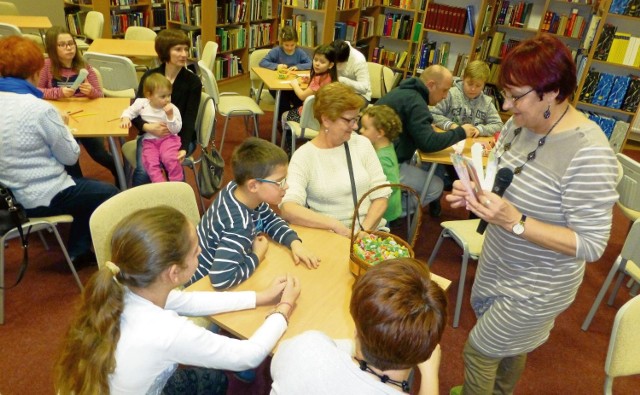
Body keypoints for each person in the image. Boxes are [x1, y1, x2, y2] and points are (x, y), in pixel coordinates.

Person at [445, 34, 619, 394]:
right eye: (504, 94)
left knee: (479, 351)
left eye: (515, 96)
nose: (506, 107)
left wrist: (515, 222)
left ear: (552, 91)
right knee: (509, 345)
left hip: (538, 286)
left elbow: (591, 244)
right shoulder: (520, 124)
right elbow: (504, 176)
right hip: (498, 263)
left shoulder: (589, 154)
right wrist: (477, 191)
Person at [54, 206, 302, 395]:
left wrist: (259, 298)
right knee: (217, 381)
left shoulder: (127, 284)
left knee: (214, 380)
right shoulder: (165, 331)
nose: (201, 252)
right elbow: (247, 356)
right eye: (196, 251)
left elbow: (190, 301)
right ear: (174, 273)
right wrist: (284, 308)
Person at [0, 35, 118, 264]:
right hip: (39, 196)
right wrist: (62, 127)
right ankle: (79, 250)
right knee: (108, 193)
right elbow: (70, 155)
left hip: (7, 197)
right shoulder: (41, 110)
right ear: (34, 72)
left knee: (79, 183)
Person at [270, 257, 447, 394]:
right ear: (426, 352)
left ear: (355, 327)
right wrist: (430, 374)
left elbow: (276, 365)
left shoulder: (305, 347)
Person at [188, 138, 319, 291]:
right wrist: (257, 255)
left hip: (216, 262)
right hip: (199, 286)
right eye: (279, 182)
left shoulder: (239, 191)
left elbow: (270, 220)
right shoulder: (238, 225)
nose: (287, 186)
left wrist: (294, 243)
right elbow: (220, 279)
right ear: (253, 185)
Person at [280, 82, 391, 238]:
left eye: (356, 119)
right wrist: (334, 225)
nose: (355, 126)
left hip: (369, 232)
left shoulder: (362, 144)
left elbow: (381, 195)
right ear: (326, 120)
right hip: (330, 238)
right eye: (349, 120)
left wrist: (363, 231)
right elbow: (288, 208)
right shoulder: (304, 156)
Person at [376, 65, 477, 216]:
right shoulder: (416, 102)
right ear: (430, 85)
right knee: (436, 186)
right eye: (444, 90)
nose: (445, 96)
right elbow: (428, 144)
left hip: (377, 156)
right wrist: (461, 132)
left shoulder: (407, 93)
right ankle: (388, 213)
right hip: (384, 164)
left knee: (427, 171)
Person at [38, 26, 118, 181]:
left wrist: (91, 92)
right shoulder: (46, 66)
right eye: (62, 45)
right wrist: (58, 93)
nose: (69, 48)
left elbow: (99, 94)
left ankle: (120, 173)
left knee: (99, 153)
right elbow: (36, 91)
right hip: (61, 119)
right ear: (53, 49)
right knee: (68, 154)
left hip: (85, 117)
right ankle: (77, 182)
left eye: (71, 43)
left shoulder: (84, 66)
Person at [130, 29, 202, 186]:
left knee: (172, 163)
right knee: (143, 172)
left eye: (186, 49)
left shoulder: (193, 81)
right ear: (165, 51)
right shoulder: (150, 77)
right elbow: (135, 111)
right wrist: (147, 126)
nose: (184, 54)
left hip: (179, 137)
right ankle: (142, 207)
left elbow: (190, 119)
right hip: (150, 136)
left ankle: (177, 204)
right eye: (178, 49)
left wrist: (183, 147)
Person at [120, 73, 183, 183]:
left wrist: (170, 117)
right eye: (163, 96)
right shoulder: (142, 104)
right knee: (150, 163)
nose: (167, 99)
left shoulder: (172, 109)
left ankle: (176, 182)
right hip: (149, 141)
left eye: (169, 95)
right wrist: (126, 117)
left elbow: (176, 129)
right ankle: (159, 184)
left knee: (169, 158)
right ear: (149, 96)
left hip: (168, 139)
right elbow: (129, 111)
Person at [431, 60, 503, 137]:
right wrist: (452, 126)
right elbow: (432, 114)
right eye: (470, 84)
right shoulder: (450, 94)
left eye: (478, 86)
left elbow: (499, 125)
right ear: (463, 79)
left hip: (472, 144)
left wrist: (480, 129)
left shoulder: (487, 102)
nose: (473, 89)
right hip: (450, 140)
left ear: (484, 85)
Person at [359, 105, 402, 223]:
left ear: (380, 133)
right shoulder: (386, 146)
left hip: (384, 209)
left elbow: (393, 183)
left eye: (365, 128)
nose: (360, 130)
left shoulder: (382, 157)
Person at [284, 44, 338, 123]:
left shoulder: (317, 79)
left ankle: (290, 134)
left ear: (330, 65)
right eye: (315, 60)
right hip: (323, 118)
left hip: (309, 117)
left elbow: (302, 96)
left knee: (284, 115)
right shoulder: (331, 77)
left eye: (322, 62)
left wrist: (295, 84)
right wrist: (310, 80)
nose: (317, 64)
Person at [331, 39, 371, 103]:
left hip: (359, 94)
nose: (337, 66)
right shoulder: (334, 51)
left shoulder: (358, 60)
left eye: (339, 63)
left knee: (338, 107)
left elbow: (364, 88)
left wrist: (342, 80)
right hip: (339, 90)